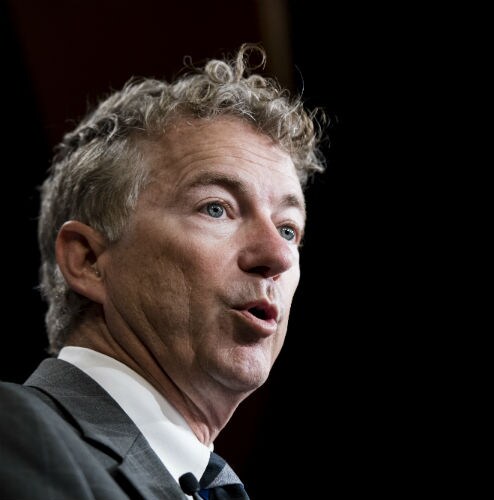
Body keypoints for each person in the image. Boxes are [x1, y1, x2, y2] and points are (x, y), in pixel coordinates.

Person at [0, 44, 326, 499]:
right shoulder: (15, 436)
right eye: (217, 208)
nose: (277, 255)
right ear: (88, 260)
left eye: (289, 230)